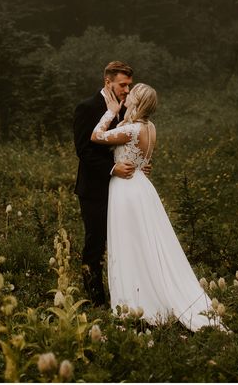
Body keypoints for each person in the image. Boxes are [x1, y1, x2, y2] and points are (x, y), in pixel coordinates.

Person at [90, 82, 222, 331]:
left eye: (133, 93)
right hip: (142, 186)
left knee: (129, 244)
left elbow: (96, 136)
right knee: (147, 243)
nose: (127, 95)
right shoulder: (150, 127)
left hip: (125, 189)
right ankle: (148, 292)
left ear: (138, 101)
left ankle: (136, 301)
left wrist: (109, 111)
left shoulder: (130, 128)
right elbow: (140, 158)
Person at [74, 61, 151, 306]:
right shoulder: (86, 107)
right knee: (95, 242)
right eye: (122, 85)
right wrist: (112, 168)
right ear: (108, 82)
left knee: (124, 241)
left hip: (123, 189)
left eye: (129, 85)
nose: (127, 90)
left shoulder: (127, 110)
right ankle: (96, 300)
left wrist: (137, 164)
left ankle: (127, 296)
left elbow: (129, 143)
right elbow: (84, 151)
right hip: (95, 189)